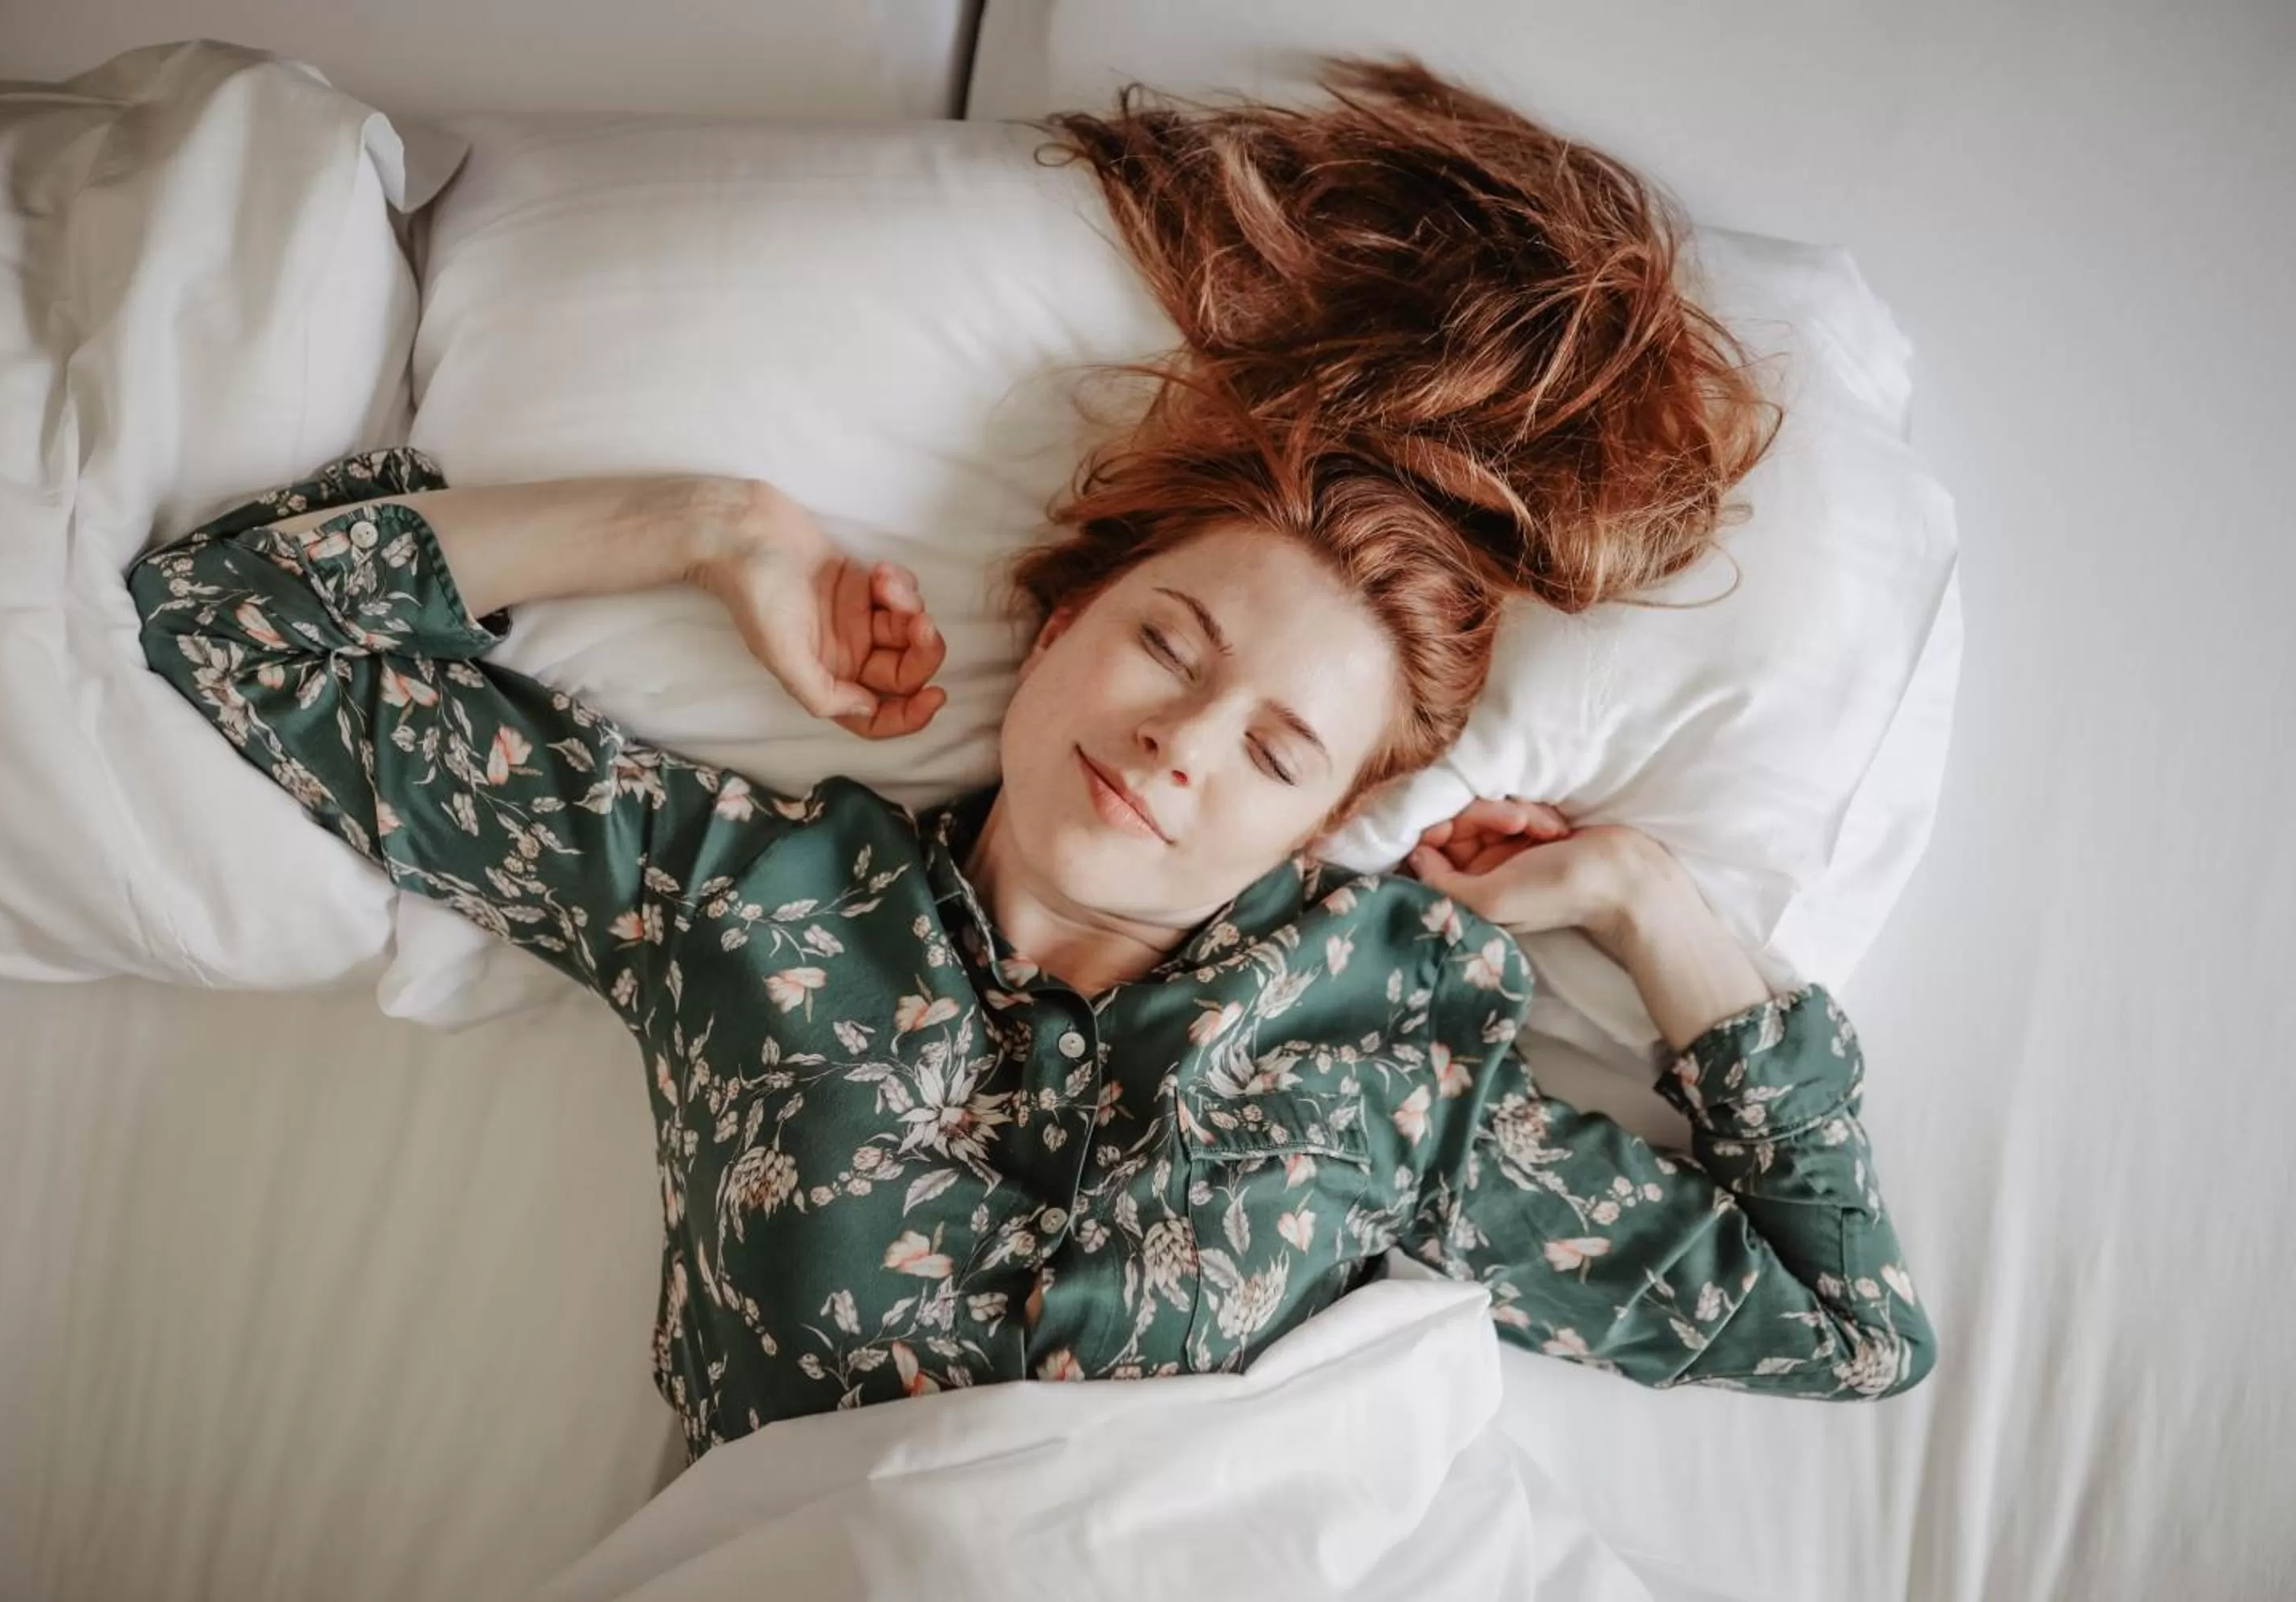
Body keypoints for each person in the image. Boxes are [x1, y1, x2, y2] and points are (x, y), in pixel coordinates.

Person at [127, 417, 1934, 1470]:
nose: (1179, 743)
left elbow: (1847, 1324)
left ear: (1319, 828)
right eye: (1168, 645)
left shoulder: (1389, 1058)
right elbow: (235, 621)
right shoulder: (740, 897)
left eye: (1277, 751)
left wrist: (1647, 901)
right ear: (1060, 619)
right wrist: (706, 529)